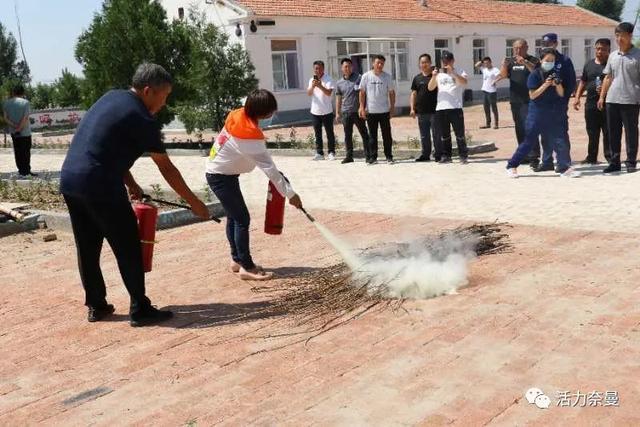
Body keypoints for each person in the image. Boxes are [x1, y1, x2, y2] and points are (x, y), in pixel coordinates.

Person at [60, 63, 210, 326]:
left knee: (87, 245)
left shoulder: (111, 97)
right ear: (148, 90)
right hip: (100, 184)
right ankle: (140, 307)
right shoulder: (142, 119)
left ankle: (96, 305)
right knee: (128, 244)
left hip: (71, 180)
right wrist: (195, 203)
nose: (163, 104)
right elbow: (167, 168)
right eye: (163, 97)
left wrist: (130, 182)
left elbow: (103, 146)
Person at [206, 89, 303, 280]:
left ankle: (237, 260)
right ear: (261, 112)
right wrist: (291, 195)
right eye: (270, 111)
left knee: (234, 217)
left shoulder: (240, 113)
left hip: (222, 173)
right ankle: (247, 268)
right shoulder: (248, 136)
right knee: (242, 218)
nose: (272, 114)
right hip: (220, 176)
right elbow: (270, 170)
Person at [506, 49, 580, 178]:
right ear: (541, 61)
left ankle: (564, 167)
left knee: (559, 139)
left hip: (553, 112)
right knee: (529, 142)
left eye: (552, 61)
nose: (550, 63)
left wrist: (557, 84)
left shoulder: (555, 74)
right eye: (547, 60)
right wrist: (545, 85)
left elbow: (561, 93)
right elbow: (533, 95)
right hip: (537, 113)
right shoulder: (535, 74)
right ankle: (512, 165)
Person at [598, 22, 640, 174]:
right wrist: (602, 96)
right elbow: (608, 77)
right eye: (617, 35)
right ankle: (614, 162)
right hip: (612, 100)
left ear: (630, 36)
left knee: (631, 132)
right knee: (613, 132)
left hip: (631, 100)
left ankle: (630, 162)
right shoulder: (612, 56)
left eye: (621, 35)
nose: (619, 38)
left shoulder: (638, 55)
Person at [495, 39, 541, 168]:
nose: (518, 51)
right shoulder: (511, 61)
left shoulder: (533, 60)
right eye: (515, 48)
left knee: (530, 128)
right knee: (519, 128)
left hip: (529, 100)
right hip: (515, 100)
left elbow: (537, 73)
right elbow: (504, 75)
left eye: (520, 48)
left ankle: (534, 157)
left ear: (526, 47)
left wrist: (525, 62)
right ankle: (524, 155)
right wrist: (503, 65)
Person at [536, 33, 577, 172]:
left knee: (560, 133)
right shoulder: (540, 60)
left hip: (558, 103)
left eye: (549, 43)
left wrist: (564, 99)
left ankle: (563, 162)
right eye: (544, 43)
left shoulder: (564, 60)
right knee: (545, 133)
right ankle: (547, 161)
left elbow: (571, 82)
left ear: (556, 43)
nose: (546, 46)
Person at [573, 38, 611, 165]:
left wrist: (607, 89)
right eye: (598, 48)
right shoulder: (589, 64)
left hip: (608, 104)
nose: (600, 51)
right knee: (592, 132)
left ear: (608, 51)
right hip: (590, 104)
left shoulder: (611, 65)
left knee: (608, 131)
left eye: (603, 49)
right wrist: (577, 97)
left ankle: (610, 157)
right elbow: (583, 81)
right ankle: (591, 157)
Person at [428, 50, 469, 164]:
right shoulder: (439, 74)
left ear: (453, 61)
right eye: (444, 61)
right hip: (441, 107)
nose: (446, 63)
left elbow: (464, 82)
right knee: (444, 134)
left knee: (459, 134)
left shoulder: (460, 71)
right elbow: (430, 88)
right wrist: (433, 76)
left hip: (455, 107)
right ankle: (447, 156)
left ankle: (463, 155)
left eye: (448, 61)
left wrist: (454, 73)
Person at [359, 54, 396, 164]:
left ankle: (389, 156)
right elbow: (362, 93)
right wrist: (361, 107)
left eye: (382, 63)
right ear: (373, 63)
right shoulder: (366, 76)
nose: (380, 65)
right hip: (371, 111)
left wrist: (392, 107)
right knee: (372, 136)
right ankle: (373, 157)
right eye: (378, 63)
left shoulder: (387, 77)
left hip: (384, 111)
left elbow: (391, 93)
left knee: (387, 135)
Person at [335, 58, 370, 164]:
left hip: (358, 111)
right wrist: (337, 112)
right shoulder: (339, 83)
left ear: (352, 67)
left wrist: (364, 107)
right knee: (347, 135)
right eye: (345, 66)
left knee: (364, 133)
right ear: (342, 68)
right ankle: (349, 156)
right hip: (346, 112)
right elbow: (338, 98)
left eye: (349, 66)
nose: (347, 68)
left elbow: (364, 93)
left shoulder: (359, 78)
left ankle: (368, 155)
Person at [410, 53, 440, 162]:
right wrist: (412, 109)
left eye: (426, 62)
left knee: (436, 134)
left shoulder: (436, 76)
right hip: (421, 112)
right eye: (422, 62)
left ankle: (438, 155)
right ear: (419, 64)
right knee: (424, 135)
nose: (424, 64)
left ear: (430, 63)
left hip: (435, 111)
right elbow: (413, 94)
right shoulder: (417, 78)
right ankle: (425, 155)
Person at [3, 84, 36, 177]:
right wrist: (19, 128)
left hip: (13, 132)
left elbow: (6, 118)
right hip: (25, 132)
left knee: (17, 151)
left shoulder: (6, 103)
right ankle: (26, 171)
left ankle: (21, 170)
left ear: (13, 92)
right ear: (23, 92)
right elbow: (25, 118)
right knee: (25, 151)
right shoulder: (25, 103)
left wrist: (14, 126)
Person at [307, 60, 336, 161]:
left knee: (329, 133)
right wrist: (313, 86)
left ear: (323, 68)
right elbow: (309, 93)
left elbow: (328, 93)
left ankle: (331, 152)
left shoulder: (329, 79)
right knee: (317, 133)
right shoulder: (312, 80)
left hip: (327, 111)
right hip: (315, 111)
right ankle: (319, 153)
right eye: (315, 68)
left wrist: (320, 86)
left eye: (319, 68)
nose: (317, 70)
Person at [474, 56, 500, 129]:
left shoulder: (495, 70)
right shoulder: (484, 69)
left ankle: (496, 124)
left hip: (492, 91)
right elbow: (476, 65)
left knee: (494, 108)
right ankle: (488, 124)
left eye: (487, 63)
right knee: (486, 108)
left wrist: (495, 81)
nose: (486, 64)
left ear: (490, 62)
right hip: (485, 90)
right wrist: (482, 62)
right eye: (485, 63)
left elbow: (500, 76)